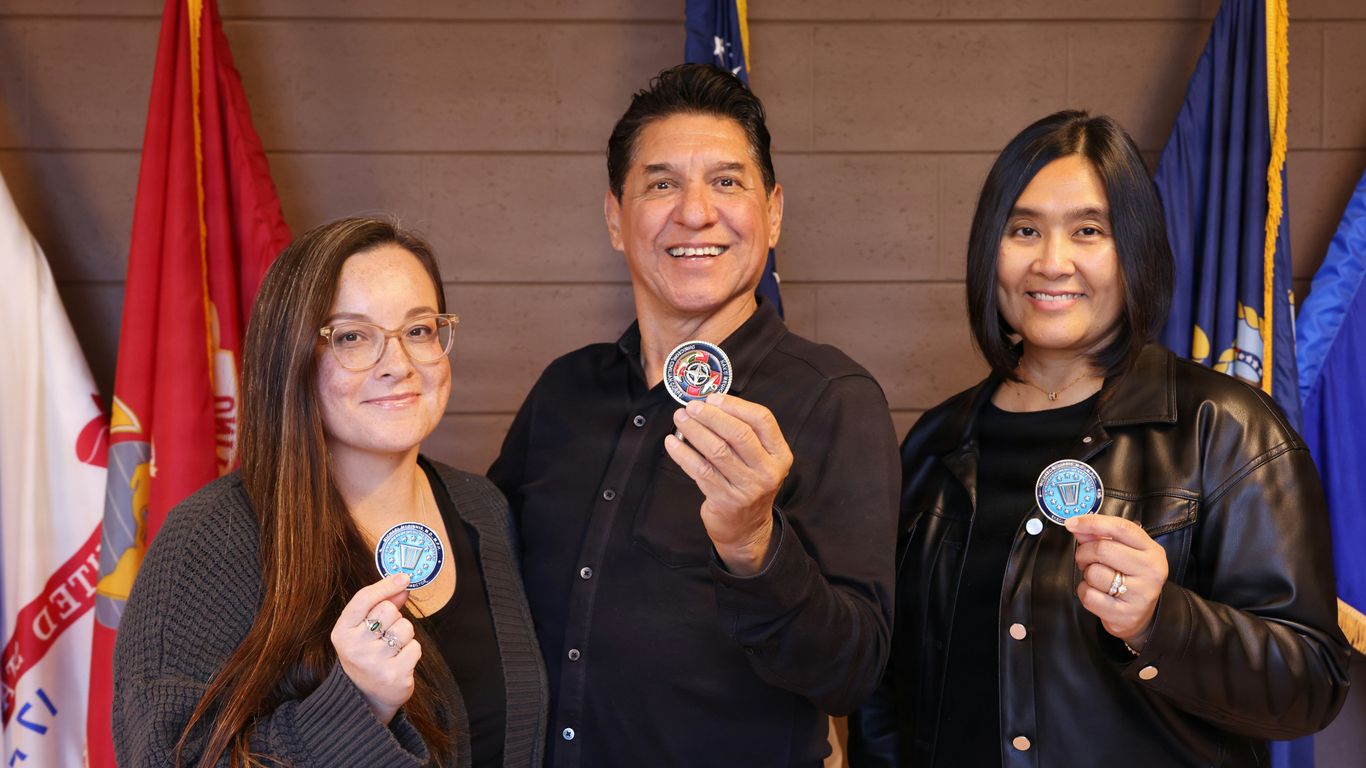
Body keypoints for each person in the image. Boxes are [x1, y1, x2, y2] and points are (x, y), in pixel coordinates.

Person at [847, 110, 1352, 767]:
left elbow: (1310, 685)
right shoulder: (936, 442)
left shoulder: (1224, 428)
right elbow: (888, 693)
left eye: (1089, 231)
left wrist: (1159, 623)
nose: (1052, 262)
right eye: (1024, 229)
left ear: (1133, 250)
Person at [488, 63, 899, 767]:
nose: (696, 212)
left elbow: (850, 672)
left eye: (728, 181)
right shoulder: (564, 391)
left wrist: (754, 546)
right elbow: (485, 583)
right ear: (616, 218)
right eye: (662, 183)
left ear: (772, 212)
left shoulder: (832, 396)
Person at [113, 217, 547, 767]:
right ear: (292, 356)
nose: (399, 365)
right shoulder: (209, 540)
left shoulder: (481, 507)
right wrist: (356, 705)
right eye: (351, 337)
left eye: (419, 330)